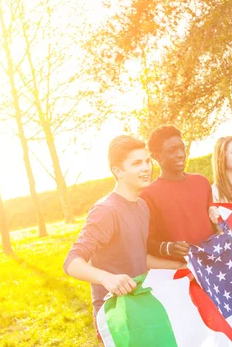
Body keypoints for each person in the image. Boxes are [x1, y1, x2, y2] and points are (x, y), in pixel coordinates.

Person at [63, 135, 184, 323]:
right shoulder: (105, 210)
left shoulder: (142, 205)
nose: (146, 168)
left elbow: (139, 257)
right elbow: (71, 262)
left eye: (146, 161)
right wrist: (107, 278)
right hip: (115, 315)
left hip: (140, 305)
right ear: (118, 171)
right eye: (136, 164)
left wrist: (181, 267)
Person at [141, 125, 215, 261]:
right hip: (183, 274)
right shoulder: (147, 195)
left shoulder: (202, 182)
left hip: (216, 264)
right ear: (157, 156)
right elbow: (145, 242)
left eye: (182, 148)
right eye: (172, 150)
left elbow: (215, 223)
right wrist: (168, 248)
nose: (181, 154)